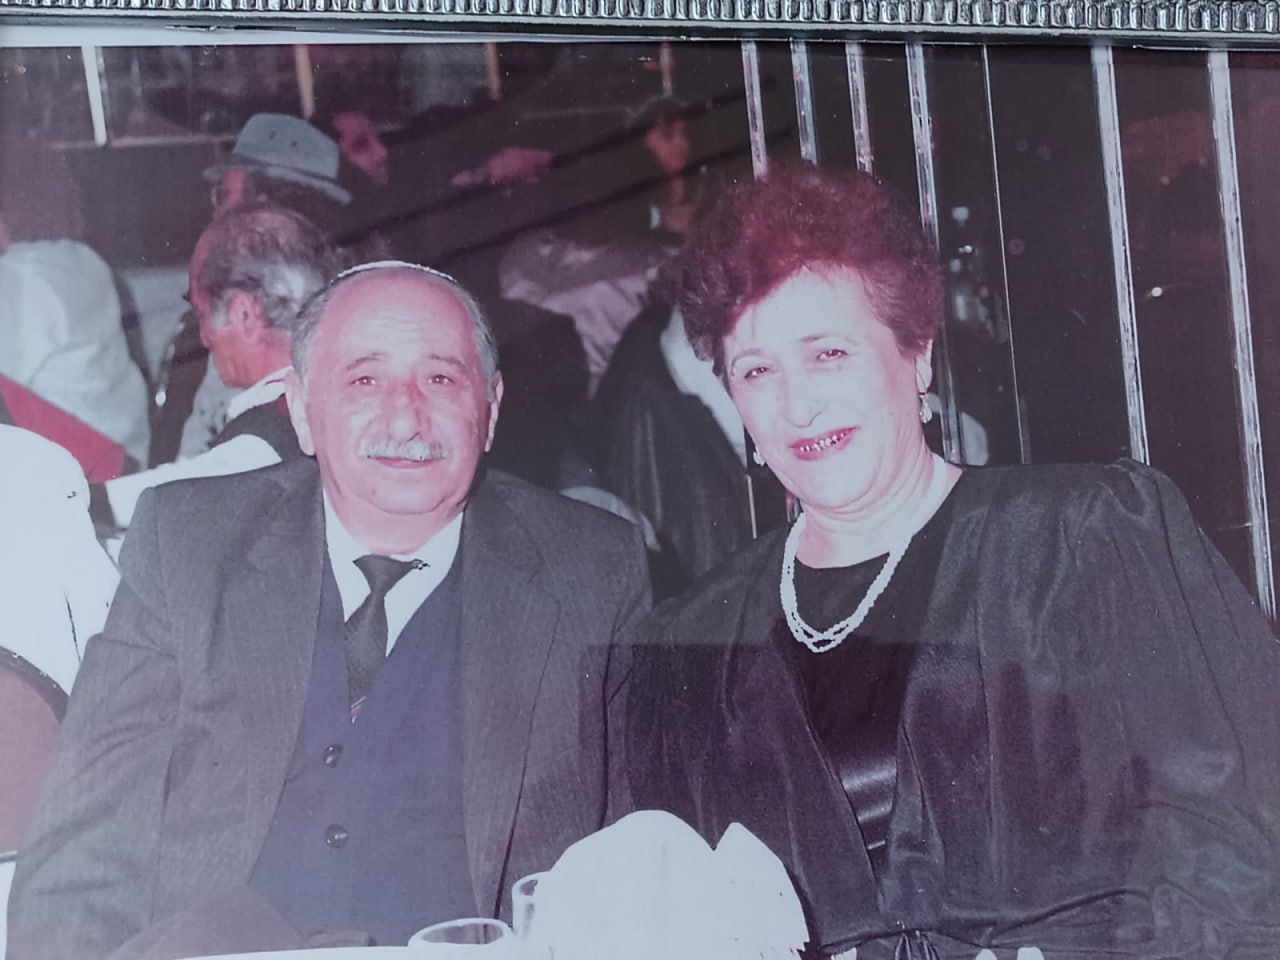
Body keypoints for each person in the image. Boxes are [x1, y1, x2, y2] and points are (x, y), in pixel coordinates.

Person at [624, 164, 1280, 959]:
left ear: (918, 357)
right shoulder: (694, 640)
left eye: (828, 353)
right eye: (758, 370)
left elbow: (1237, 859)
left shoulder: (1085, 539)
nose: (798, 405)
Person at [9, 262, 652, 960]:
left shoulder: (590, 571)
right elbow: (83, 849)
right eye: (364, 380)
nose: (405, 417)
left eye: (441, 379)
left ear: (490, 409)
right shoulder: (191, 545)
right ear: (300, 409)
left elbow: (635, 860)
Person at [100, 205, 341, 529]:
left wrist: (82, 500)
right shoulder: (335, 390)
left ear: (244, 314)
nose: (204, 338)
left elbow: (199, 486)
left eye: (201, 314)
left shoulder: (281, 422)